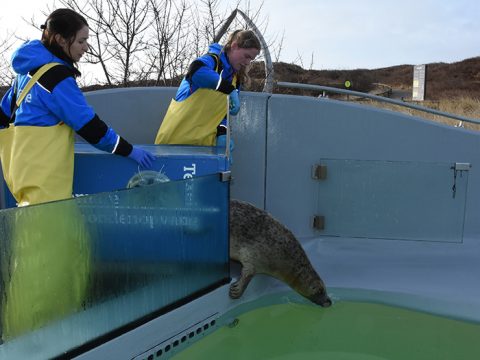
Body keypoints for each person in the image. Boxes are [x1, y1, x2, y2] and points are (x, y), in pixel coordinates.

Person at [0, 8, 154, 340]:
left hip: (25, 181)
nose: (87, 47)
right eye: (81, 40)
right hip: (44, 186)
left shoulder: (27, 71)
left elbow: (3, 114)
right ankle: (34, 337)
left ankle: (43, 326)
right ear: (60, 39)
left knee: (45, 254)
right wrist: (129, 151)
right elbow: (89, 126)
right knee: (44, 263)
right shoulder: (56, 77)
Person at [154, 29, 261, 154]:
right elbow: (196, 71)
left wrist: (222, 134)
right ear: (234, 46)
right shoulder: (212, 61)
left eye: (251, 59)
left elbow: (223, 116)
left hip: (204, 150)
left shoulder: (235, 81)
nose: (248, 62)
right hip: (173, 145)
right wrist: (228, 89)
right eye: (247, 56)